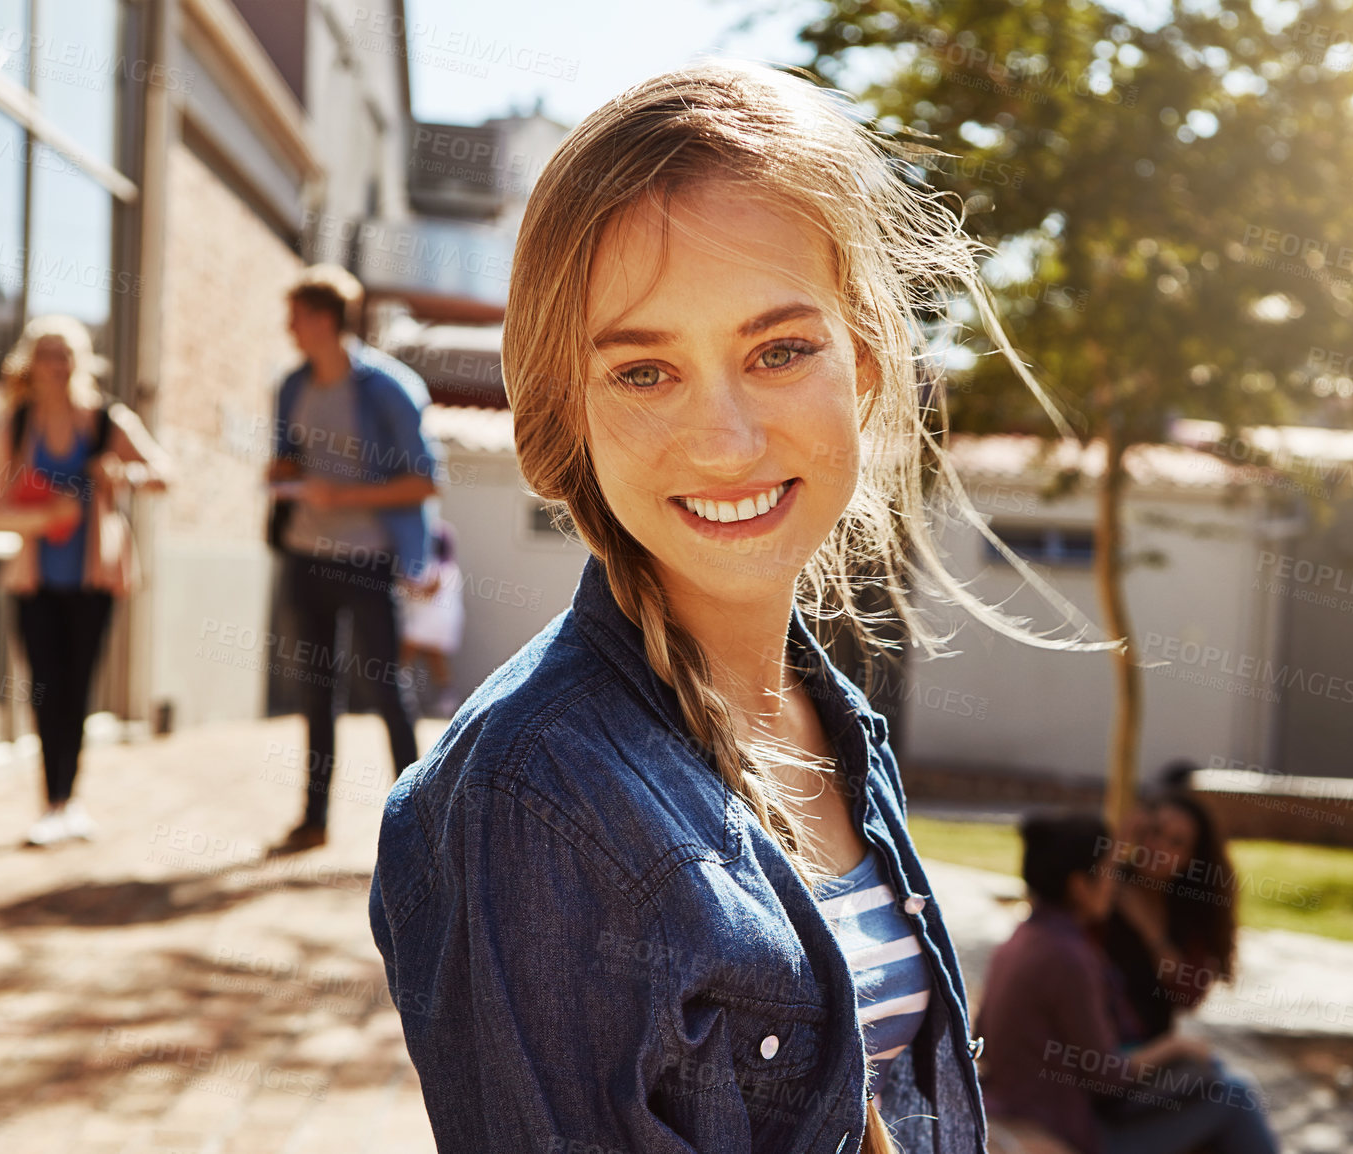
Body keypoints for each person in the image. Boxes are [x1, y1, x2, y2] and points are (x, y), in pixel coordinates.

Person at [369, 62, 1115, 1154]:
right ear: (567, 405)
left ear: (862, 365)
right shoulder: (531, 795)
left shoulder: (835, 720)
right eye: (643, 371)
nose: (723, 438)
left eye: (777, 350)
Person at [0, 315, 171, 846]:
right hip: (35, 581)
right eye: (47, 354)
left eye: (65, 354)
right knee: (43, 688)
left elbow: (162, 473)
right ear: (30, 363)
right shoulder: (13, 424)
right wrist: (47, 517)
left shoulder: (108, 420)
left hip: (92, 580)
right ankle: (50, 803)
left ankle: (71, 800)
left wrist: (122, 474)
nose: (56, 365)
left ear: (79, 361)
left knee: (77, 686)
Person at [265, 264, 439, 854]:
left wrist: (343, 496)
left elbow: (423, 483)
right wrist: (283, 474)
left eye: (295, 316)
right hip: (303, 555)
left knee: (384, 688)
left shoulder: (389, 389)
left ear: (321, 319)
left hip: (366, 560)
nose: (289, 328)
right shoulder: (292, 386)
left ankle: (421, 824)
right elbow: (288, 456)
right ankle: (313, 821)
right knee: (314, 692)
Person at [978, 812, 1276, 1154]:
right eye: (1108, 872)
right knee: (1234, 1095)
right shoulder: (1068, 955)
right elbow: (1107, 1076)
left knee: (1213, 1076)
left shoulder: (1023, 937)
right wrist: (1173, 1047)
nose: (1114, 882)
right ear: (1079, 886)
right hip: (1071, 1127)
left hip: (1026, 1104)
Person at [1097, 792, 1238, 1040]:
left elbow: (1189, 994)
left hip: (1149, 1046)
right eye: (1155, 831)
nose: (1158, 848)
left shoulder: (1190, 909)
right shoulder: (1107, 891)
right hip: (1096, 1043)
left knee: (1226, 1078)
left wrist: (1152, 934)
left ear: (1191, 859)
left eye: (1176, 842)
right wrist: (1116, 848)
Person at [398, 515, 465, 718]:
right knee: (435, 660)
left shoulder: (437, 567)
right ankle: (445, 700)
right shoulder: (450, 567)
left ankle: (402, 697)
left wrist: (406, 588)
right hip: (439, 623)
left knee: (405, 656)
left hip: (428, 622)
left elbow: (429, 591)